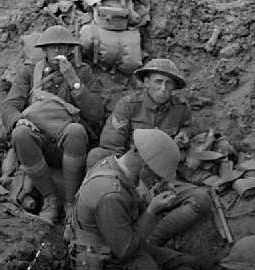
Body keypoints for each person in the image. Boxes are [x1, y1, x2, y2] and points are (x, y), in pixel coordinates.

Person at [86, 58, 210, 247]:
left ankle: (153, 240)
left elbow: (191, 126)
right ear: (146, 82)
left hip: (161, 177)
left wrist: (184, 135)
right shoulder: (129, 105)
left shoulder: (180, 107)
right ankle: (98, 220)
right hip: (130, 174)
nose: (163, 88)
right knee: (96, 156)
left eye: (169, 84)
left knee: (201, 199)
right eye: (158, 81)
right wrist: (133, 182)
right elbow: (111, 147)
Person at [1, 24, 104, 224]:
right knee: (20, 133)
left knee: (76, 130)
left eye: (63, 46)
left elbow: (96, 113)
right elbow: (9, 107)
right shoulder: (30, 73)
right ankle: (50, 200)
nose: (58, 51)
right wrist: (19, 120)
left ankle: (70, 202)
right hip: (39, 142)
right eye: (52, 47)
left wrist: (73, 81)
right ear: (45, 50)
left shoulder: (82, 72)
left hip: (71, 144)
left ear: (70, 50)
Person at [71, 128, 200, 270]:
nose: (157, 181)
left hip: (120, 240)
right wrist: (152, 210)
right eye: (157, 176)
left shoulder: (116, 165)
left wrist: (151, 195)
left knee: (189, 263)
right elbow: (125, 250)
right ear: (145, 164)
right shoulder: (111, 194)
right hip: (101, 254)